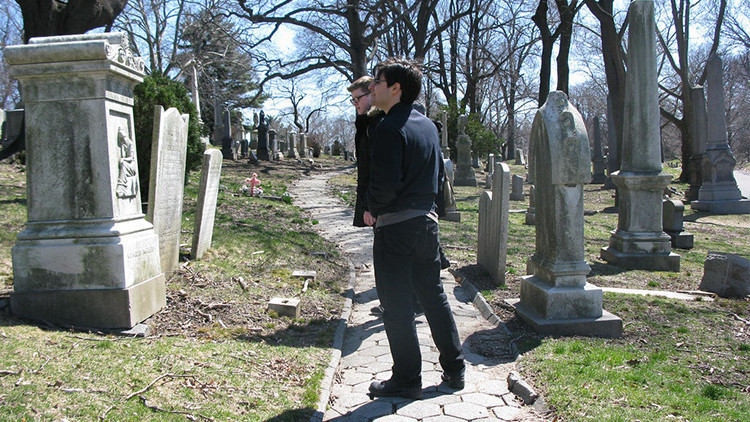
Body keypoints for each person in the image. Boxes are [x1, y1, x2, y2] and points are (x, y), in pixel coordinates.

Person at [365, 58, 465, 400]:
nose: (372, 87)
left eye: (378, 81)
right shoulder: (427, 126)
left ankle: (407, 379)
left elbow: (387, 183)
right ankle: (456, 369)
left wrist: (371, 207)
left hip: (396, 227)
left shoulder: (389, 127)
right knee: (434, 298)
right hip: (427, 224)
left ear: (396, 88)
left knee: (396, 306)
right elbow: (438, 177)